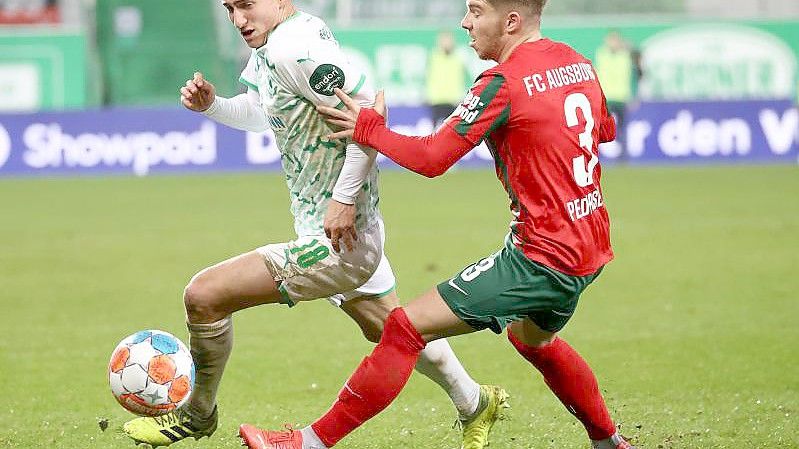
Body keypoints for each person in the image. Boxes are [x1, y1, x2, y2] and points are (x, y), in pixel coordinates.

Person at [239, 0, 638, 448]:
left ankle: (306, 443)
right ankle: (609, 442)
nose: (465, 22)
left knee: (404, 327)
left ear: (510, 21)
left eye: (475, 10)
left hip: (542, 256)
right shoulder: (577, 62)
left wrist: (370, 129)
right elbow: (604, 130)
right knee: (531, 340)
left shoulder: (501, 83)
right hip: (589, 241)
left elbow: (432, 159)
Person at [121, 0, 507, 447]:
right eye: (229, 8)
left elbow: (368, 120)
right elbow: (265, 110)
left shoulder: (296, 49)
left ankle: (196, 414)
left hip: (341, 239)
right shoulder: (273, 44)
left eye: (245, 5)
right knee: (389, 327)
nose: (238, 20)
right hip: (331, 228)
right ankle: (475, 401)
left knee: (203, 296)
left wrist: (343, 200)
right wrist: (214, 107)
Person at [594, 30, 634, 157]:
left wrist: (633, 95)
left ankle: (623, 157)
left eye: (615, 41)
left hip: (622, 97)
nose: (613, 44)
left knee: (622, 129)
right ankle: (596, 155)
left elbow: (634, 73)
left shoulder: (625, 55)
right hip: (606, 98)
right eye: (611, 41)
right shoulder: (602, 54)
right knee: (599, 129)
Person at [426, 30, 468, 127]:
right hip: (436, 99)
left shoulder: (458, 57)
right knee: (435, 131)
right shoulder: (434, 56)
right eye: (444, 41)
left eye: (448, 40)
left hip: (452, 100)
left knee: (452, 130)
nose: (446, 43)